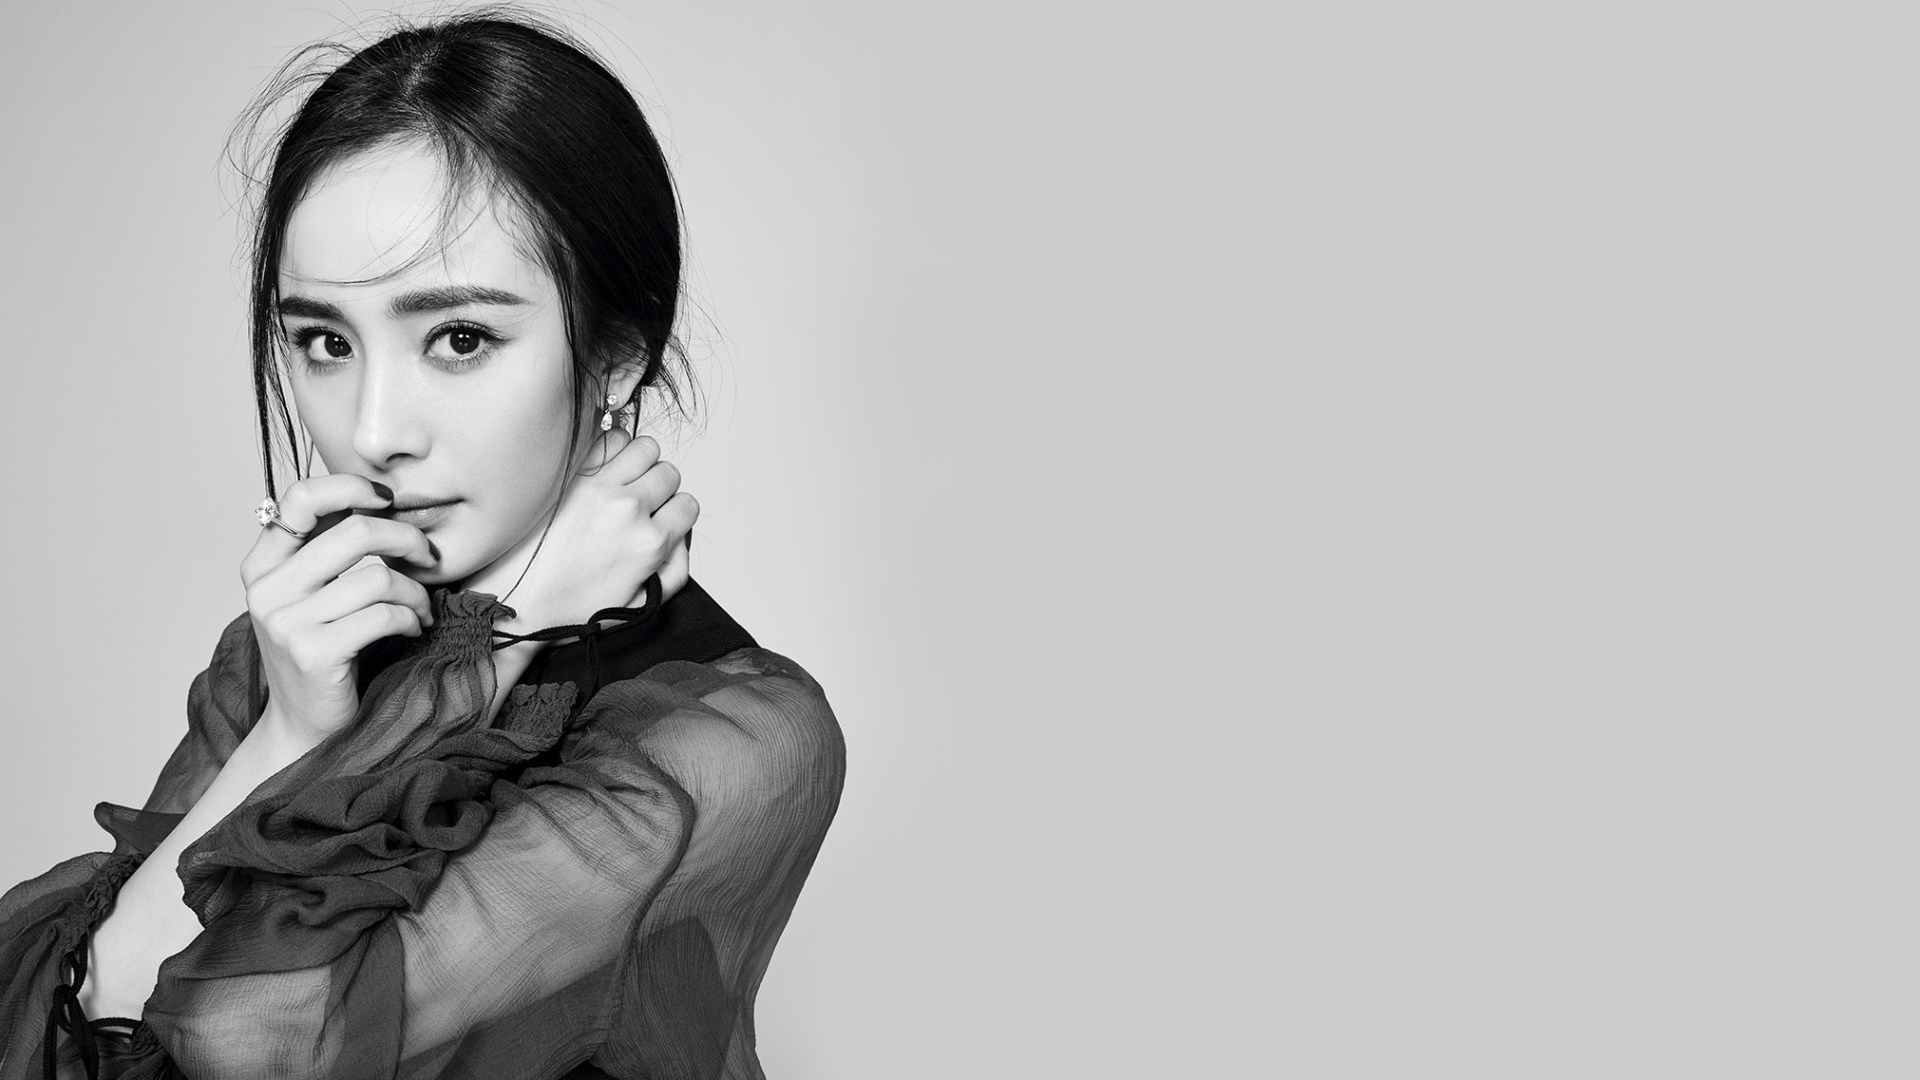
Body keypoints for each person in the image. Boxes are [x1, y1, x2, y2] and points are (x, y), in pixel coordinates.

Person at [0, 12, 845, 1080]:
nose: (372, 430)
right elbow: (59, 1036)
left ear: (618, 353)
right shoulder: (300, 649)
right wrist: (289, 733)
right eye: (325, 342)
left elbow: (251, 1040)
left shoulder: (731, 733)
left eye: (459, 338)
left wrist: (502, 644)